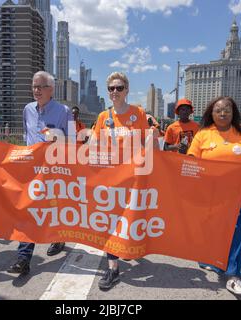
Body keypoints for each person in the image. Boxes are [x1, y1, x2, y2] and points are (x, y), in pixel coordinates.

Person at [91, 72, 157, 291]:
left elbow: (147, 144)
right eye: (111, 88)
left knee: (130, 218)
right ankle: (113, 269)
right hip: (111, 179)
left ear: (127, 90)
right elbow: (94, 145)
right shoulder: (103, 117)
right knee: (110, 220)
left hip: (134, 178)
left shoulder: (137, 114)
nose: (115, 92)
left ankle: (126, 248)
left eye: (119, 88)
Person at [187, 96, 241, 296]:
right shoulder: (203, 134)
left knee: (239, 231)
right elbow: (192, 158)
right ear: (211, 113)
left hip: (239, 193)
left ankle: (234, 275)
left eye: (226, 109)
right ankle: (212, 260)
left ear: (233, 111)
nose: (222, 113)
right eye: (218, 110)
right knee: (214, 230)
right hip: (211, 194)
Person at [7, 71, 73, 276]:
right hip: (31, 171)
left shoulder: (64, 111)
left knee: (53, 208)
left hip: (54, 170)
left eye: (41, 86)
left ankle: (59, 238)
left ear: (51, 89)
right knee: (29, 210)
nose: (36, 90)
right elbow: (28, 138)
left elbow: (72, 141)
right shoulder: (27, 109)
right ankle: (23, 258)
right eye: (34, 86)